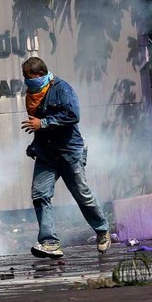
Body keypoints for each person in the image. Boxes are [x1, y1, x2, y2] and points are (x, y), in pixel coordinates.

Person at [21, 57, 111, 259]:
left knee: (82, 194)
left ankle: (103, 231)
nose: (28, 82)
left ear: (41, 75)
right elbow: (39, 127)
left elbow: (72, 115)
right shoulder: (32, 94)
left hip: (70, 152)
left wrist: (43, 123)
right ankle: (50, 242)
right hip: (46, 154)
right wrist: (35, 144)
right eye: (25, 78)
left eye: (31, 78)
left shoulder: (62, 89)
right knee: (40, 194)